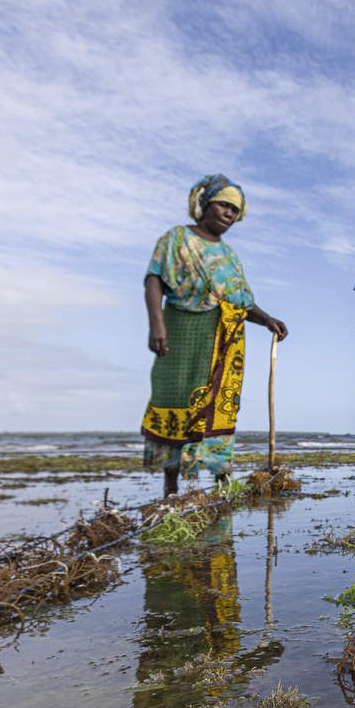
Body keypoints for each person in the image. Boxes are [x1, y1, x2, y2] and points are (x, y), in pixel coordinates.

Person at [141, 174, 289, 496]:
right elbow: (154, 279)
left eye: (234, 211)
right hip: (179, 332)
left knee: (219, 408)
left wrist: (267, 320)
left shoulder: (229, 257)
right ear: (204, 204)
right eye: (223, 205)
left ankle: (220, 478)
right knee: (174, 402)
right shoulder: (176, 239)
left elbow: (240, 302)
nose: (228, 214)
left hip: (221, 340)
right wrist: (157, 325)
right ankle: (171, 484)